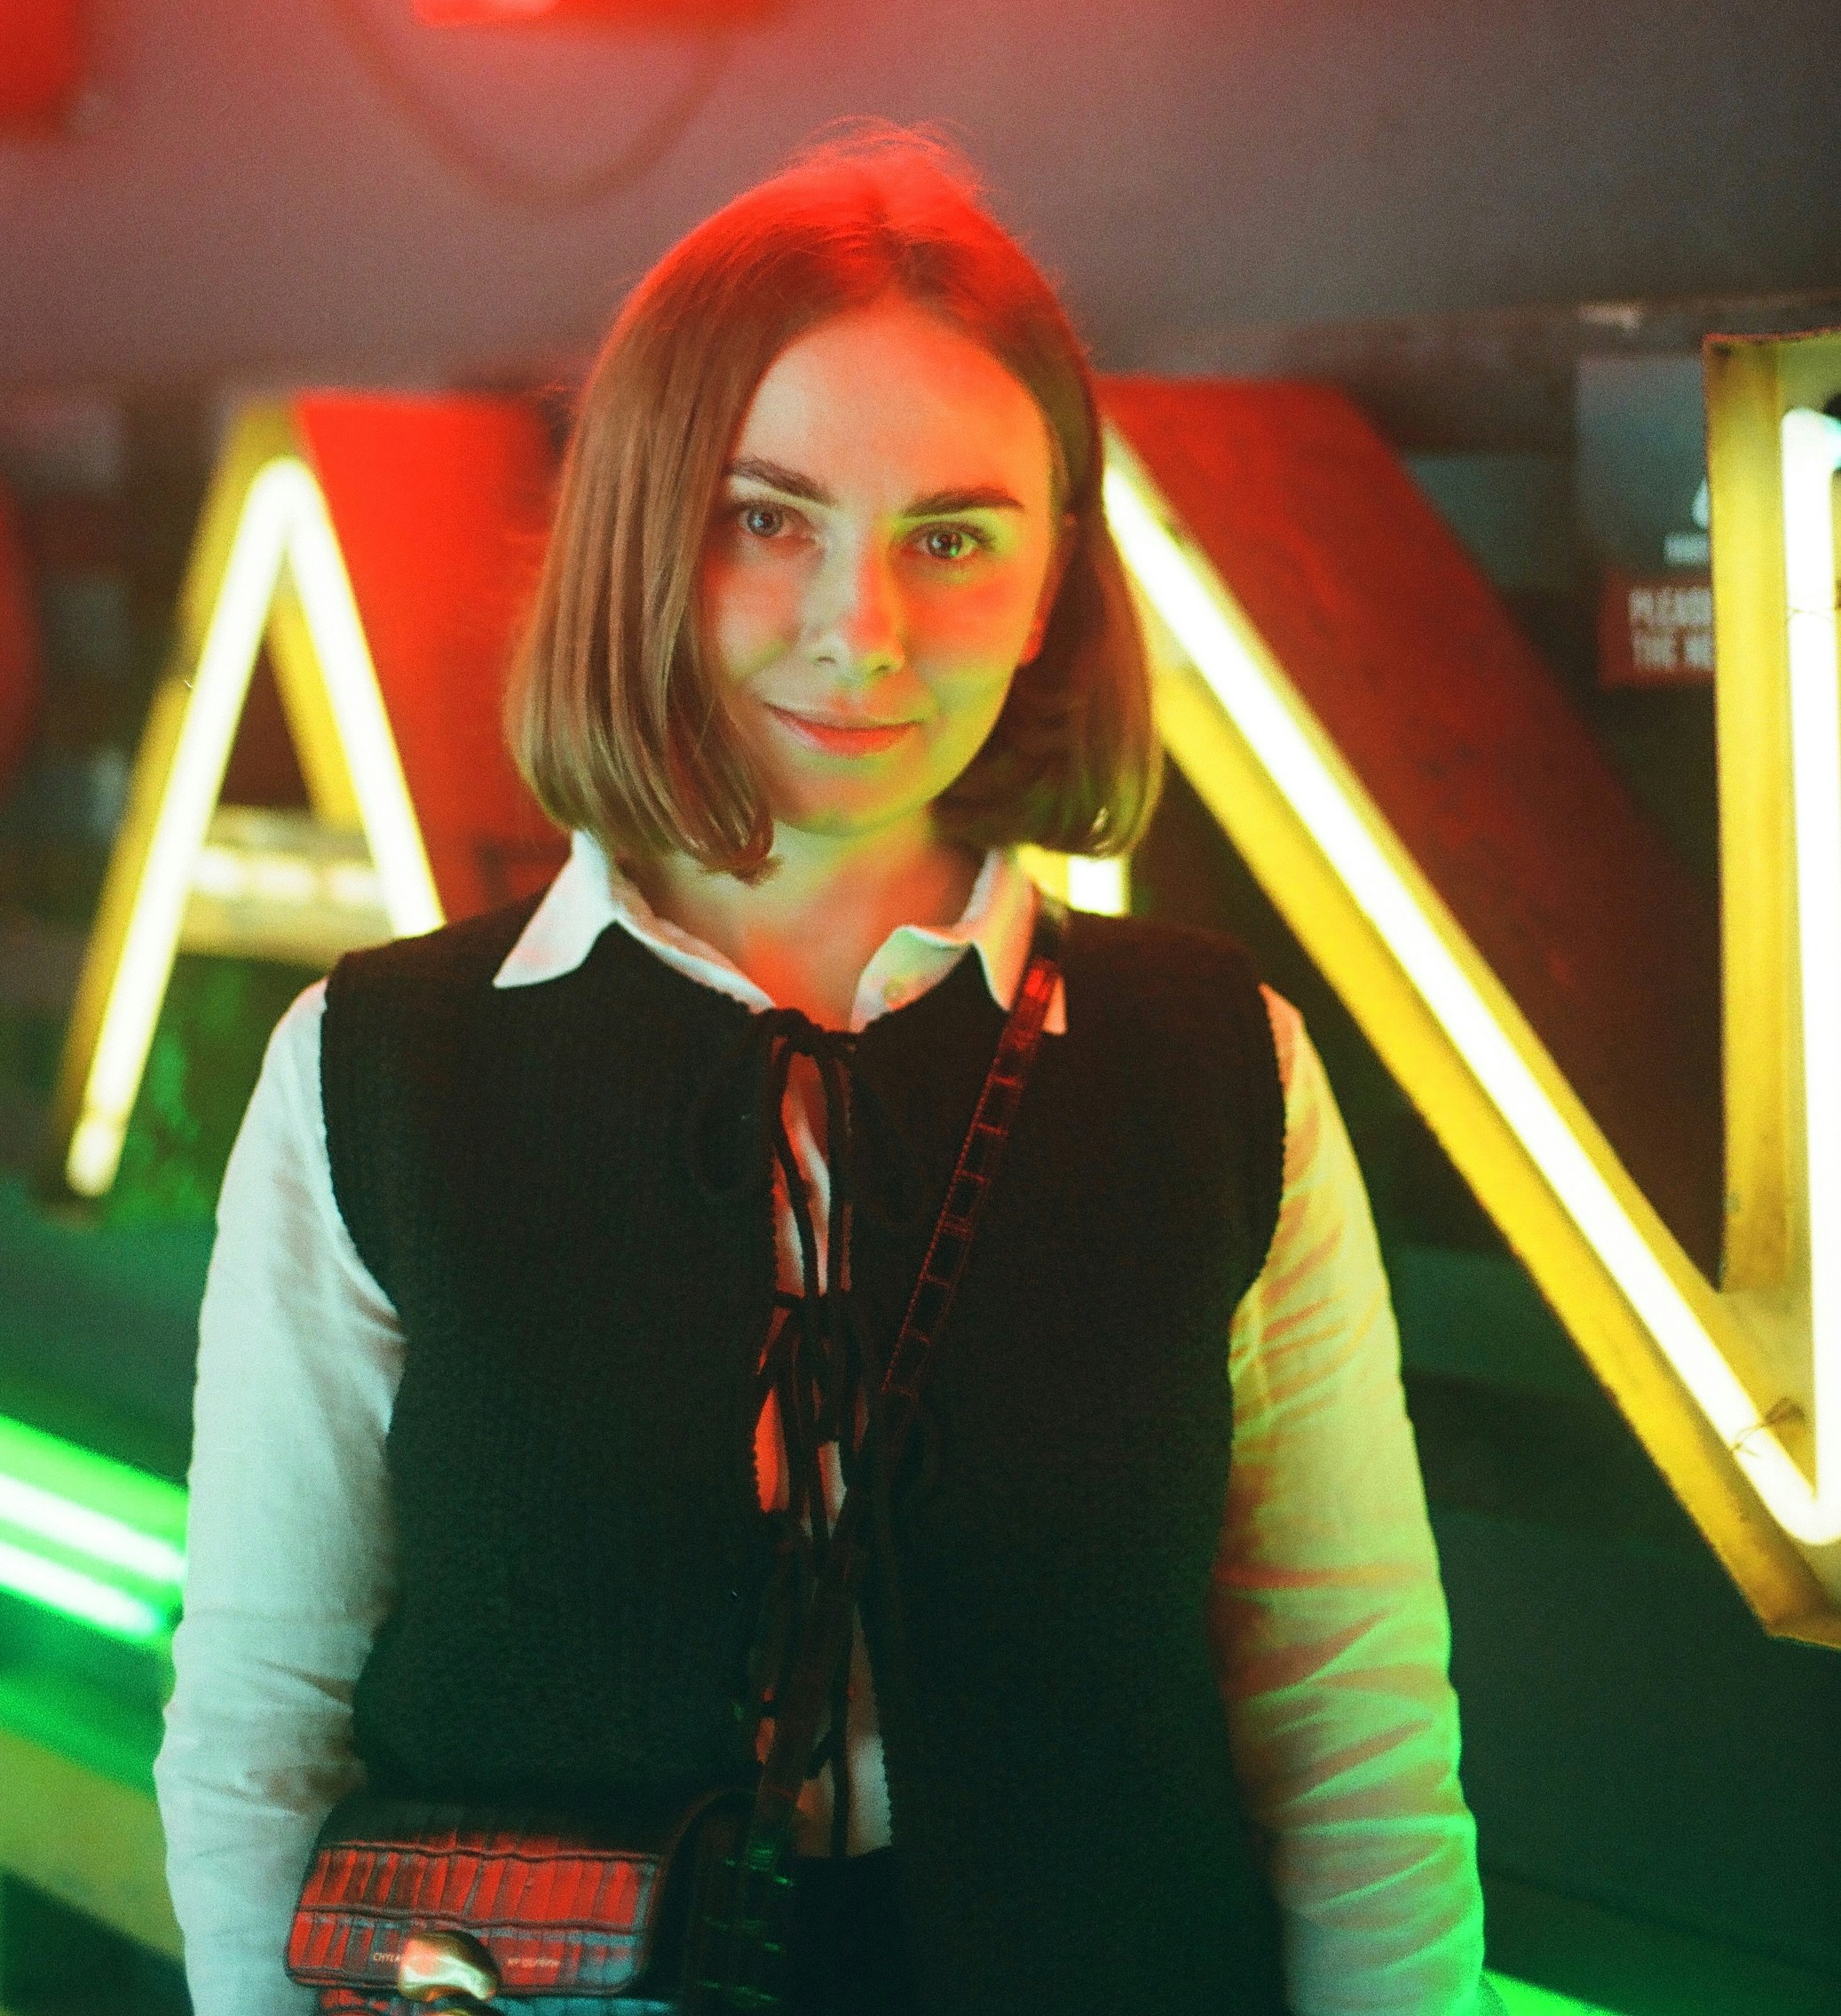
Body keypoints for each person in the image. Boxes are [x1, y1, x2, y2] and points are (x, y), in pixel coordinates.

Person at [156, 126, 1495, 2016]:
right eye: (766, 517)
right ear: (641, 530)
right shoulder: (376, 1071)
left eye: (951, 538)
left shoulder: (1218, 1066)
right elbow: (260, 1719)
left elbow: (1349, 1721)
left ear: (1053, 580)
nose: (859, 631)